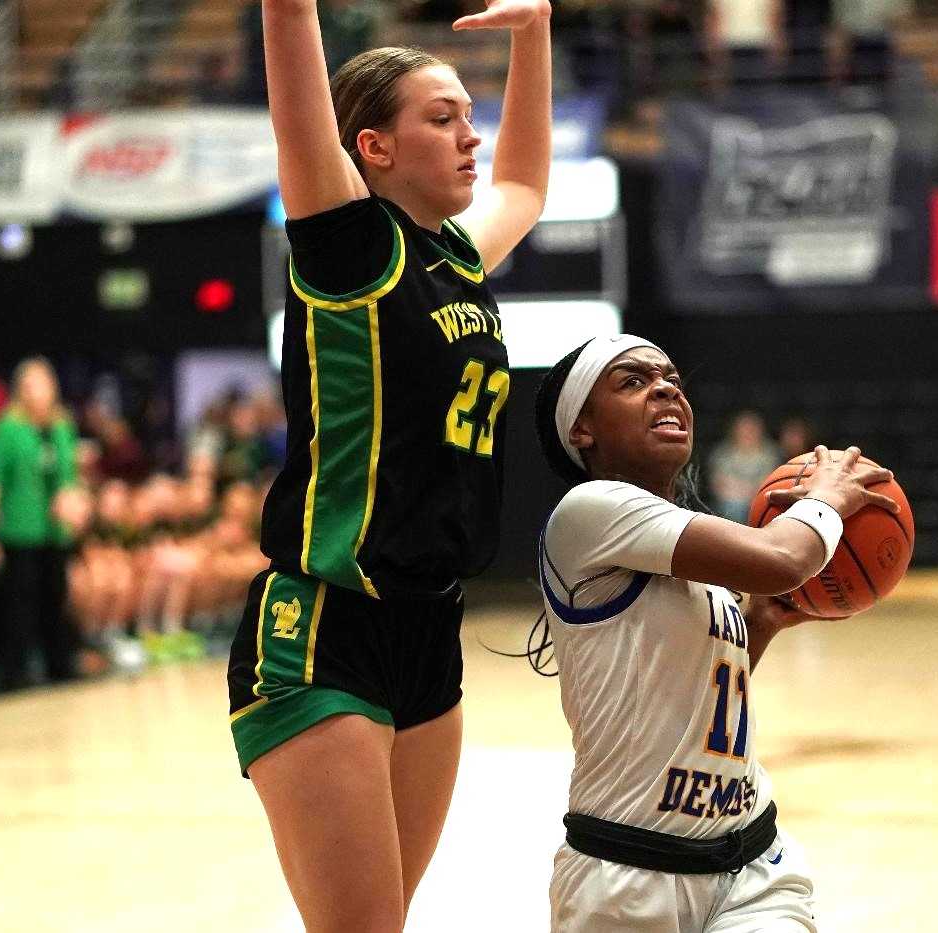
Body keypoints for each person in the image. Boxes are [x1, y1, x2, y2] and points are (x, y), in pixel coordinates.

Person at [225, 0, 552, 930]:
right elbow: (290, 40)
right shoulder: (349, 246)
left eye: (467, 114)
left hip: (428, 630)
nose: (468, 134)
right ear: (371, 146)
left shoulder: (456, 254)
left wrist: (535, 34)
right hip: (326, 626)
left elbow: (524, 183)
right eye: (440, 118)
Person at [532, 335, 899, 932]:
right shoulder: (588, 511)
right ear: (582, 430)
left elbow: (698, 692)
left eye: (670, 378)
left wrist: (763, 621)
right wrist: (829, 496)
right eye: (632, 381)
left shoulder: (698, 558)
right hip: (627, 877)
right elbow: (786, 558)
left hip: (753, 865)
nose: (664, 387)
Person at [0, 357, 89, 691]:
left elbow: (69, 475)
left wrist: (73, 502)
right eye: (32, 384)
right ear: (21, 389)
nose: (39, 391)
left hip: (55, 527)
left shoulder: (61, 426)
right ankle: (15, 670)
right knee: (19, 599)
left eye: (44, 383)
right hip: (20, 526)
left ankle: (59, 663)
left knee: (55, 594)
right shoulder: (9, 427)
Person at [707, 410, 780, 524]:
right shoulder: (723, 453)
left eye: (752, 429)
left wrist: (750, 494)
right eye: (744, 428)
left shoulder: (769, 454)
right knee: (733, 507)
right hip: (730, 501)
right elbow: (719, 484)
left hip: (759, 500)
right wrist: (741, 493)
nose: (748, 432)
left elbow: (768, 484)